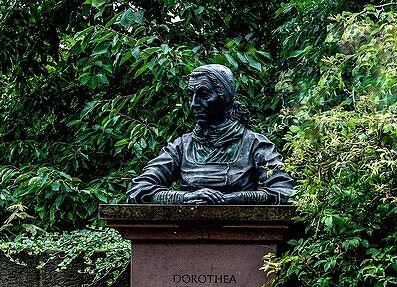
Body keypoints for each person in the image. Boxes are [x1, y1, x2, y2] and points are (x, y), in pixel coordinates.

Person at [126, 64, 294, 205]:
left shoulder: (255, 144)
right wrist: (186, 197)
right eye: (190, 95)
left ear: (225, 98)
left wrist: (233, 199)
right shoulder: (181, 146)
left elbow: (285, 191)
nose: (193, 104)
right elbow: (139, 189)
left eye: (203, 95)